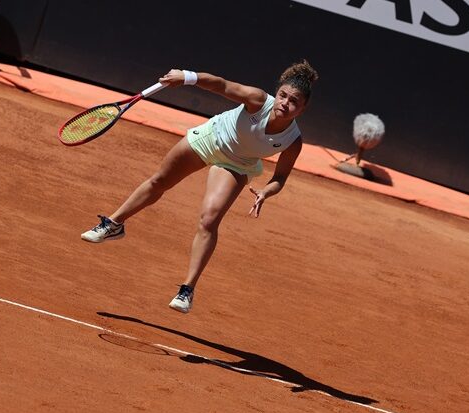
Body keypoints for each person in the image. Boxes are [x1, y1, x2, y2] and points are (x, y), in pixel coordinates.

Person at [81, 61, 319, 314]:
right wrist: (186, 76)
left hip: (238, 163)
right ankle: (114, 224)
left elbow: (280, 177)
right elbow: (222, 85)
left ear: (302, 109)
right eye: (283, 95)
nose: (285, 103)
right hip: (211, 138)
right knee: (160, 181)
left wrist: (265, 192)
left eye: (294, 101)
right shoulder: (258, 100)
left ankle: (187, 289)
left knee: (209, 220)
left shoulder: (293, 141)